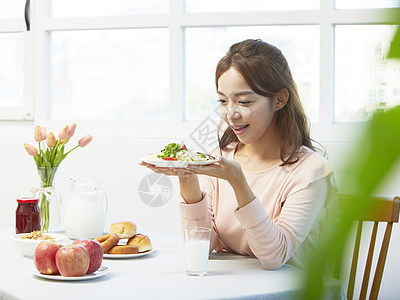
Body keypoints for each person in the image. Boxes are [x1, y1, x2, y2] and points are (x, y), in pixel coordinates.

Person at [141, 39, 337, 270]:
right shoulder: (221, 158)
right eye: (223, 101)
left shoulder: (310, 173)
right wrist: (188, 178)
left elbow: (274, 256)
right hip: (234, 287)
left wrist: (238, 181)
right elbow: (202, 244)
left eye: (244, 101)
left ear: (280, 99)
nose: (230, 114)